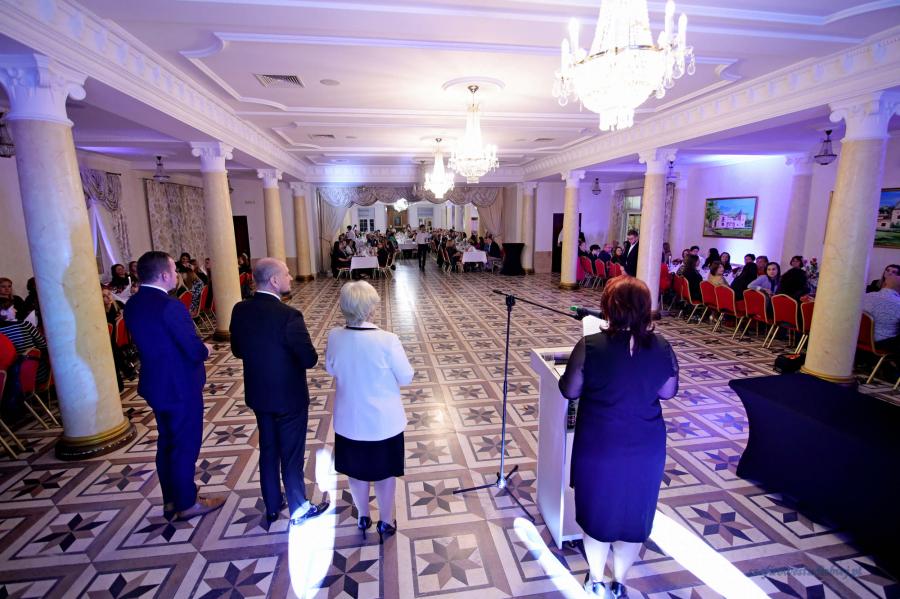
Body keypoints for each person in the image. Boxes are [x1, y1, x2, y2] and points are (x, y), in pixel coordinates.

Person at [558, 276, 678, 598]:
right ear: (645, 309)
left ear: (608, 308)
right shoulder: (662, 346)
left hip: (600, 445)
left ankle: (596, 580)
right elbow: (669, 391)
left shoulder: (590, 346)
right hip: (645, 446)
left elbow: (569, 390)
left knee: (598, 514)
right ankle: (620, 583)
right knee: (634, 514)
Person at [229, 258, 329, 525]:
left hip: (259, 394)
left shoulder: (240, 309)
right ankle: (299, 507)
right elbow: (309, 359)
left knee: (269, 449)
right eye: (286, 273)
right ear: (274, 280)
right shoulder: (289, 316)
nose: (291, 277)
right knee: (292, 454)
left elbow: (237, 350)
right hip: (289, 397)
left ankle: (272, 505)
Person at [124, 251, 222, 521]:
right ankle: (187, 503)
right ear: (164, 275)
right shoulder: (171, 306)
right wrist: (206, 349)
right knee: (185, 444)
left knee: (167, 442)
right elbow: (191, 348)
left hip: (155, 384)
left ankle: (171, 499)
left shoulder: (132, 304)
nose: (177, 275)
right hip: (180, 386)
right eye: (174, 271)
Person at [326, 281, 414, 543]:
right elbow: (406, 377)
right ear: (369, 309)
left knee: (356, 471)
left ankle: (363, 515)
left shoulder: (335, 336)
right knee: (385, 473)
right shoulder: (387, 340)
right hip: (382, 422)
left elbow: (331, 369)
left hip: (349, 420)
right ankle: (385, 521)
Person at [861, 271, 900, 352]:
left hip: (858, 340)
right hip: (880, 345)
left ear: (884, 284)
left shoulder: (865, 296)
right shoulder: (898, 303)